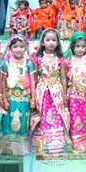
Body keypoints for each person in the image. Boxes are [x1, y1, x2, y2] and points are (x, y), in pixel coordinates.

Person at [33, 28, 68, 156]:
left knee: (57, 114)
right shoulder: (38, 59)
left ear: (58, 42)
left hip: (56, 91)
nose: (51, 42)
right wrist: (33, 96)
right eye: (48, 40)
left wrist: (64, 95)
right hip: (43, 92)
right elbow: (34, 78)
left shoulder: (60, 59)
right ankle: (42, 144)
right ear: (43, 42)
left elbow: (63, 78)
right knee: (43, 115)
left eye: (54, 40)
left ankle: (56, 145)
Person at [0, 34, 35, 157]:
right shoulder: (5, 63)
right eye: (15, 47)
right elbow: (3, 82)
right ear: (10, 48)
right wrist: (4, 99)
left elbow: (33, 82)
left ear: (25, 48)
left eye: (21, 46)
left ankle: (22, 149)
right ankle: (8, 148)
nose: (18, 49)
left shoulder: (29, 64)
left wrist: (33, 99)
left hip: (24, 98)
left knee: (23, 122)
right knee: (8, 122)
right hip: (10, 98)